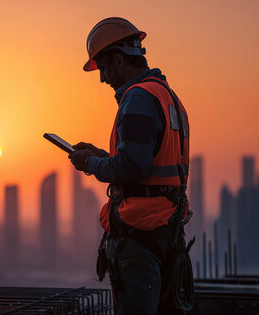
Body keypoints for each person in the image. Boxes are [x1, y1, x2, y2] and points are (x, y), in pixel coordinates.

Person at [69, 17, 193, 314]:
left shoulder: (137, 98)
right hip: (166, 232)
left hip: (140, 235)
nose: (103, 79)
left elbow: (131, 169)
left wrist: (91, 164)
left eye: (104, 68)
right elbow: (148, 164)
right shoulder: (167, 97)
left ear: (119, 60)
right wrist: (100, 154)